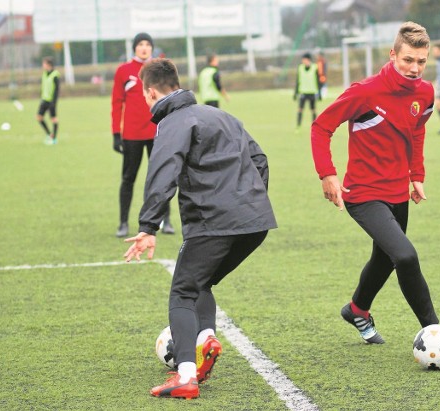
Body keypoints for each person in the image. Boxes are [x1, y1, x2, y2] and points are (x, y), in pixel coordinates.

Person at [123, 58, 277, 399]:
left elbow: (162, 172)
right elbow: (260, 160)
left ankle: (185, 376)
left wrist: (148, 226)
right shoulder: (221, 116)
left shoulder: (172, 122)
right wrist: (249, 205)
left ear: (150, 91)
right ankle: (205, 339)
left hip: (214, 222)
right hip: (254, 223)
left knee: (182, 291)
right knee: (200, 281)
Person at [311, 22, 439, 345]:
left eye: (421, 62)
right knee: (406, 257)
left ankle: (357, 309)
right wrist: (327, 173)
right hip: (364, 195)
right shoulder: (366, 92)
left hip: (398, 193)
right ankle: (435, 332)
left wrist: (417, 176)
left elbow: (417, 132)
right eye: (408, 60)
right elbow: (321, 127)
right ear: (392, 54)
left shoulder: (425, 94)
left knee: (384, 260)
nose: (414, 68)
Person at [111, 32, 174, 238]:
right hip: (131, 135)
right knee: (128, 178)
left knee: (161, 178)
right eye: (140, 44)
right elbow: (116, 103)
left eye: (147, 44)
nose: (144, 47)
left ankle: (166, 220)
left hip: (157, 132)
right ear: (135, 48)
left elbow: (170, 98)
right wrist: (116, 133)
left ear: (152, 48)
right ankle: (122, 223)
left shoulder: (159, 70)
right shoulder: (124, 71)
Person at [293, 52, 320, 131]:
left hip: (312, 92)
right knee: (300, 109)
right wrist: (295, 92)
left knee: (313, 110)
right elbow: (298, 80)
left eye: (304, 59)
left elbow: (318, 81)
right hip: (303, 92)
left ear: (308, 60)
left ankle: (314, 126)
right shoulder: (300, 68)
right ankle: (298, 126)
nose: (303, 61)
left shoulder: (315, 67)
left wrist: (319, 92)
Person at [37, 56, 60, 145]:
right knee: (39, 117)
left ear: (48, 64)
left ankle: (54, 138)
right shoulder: (44, 74)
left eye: (44, 64)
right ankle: (48, 134)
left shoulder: (55, 75)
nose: (43, 65)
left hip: (51, 101)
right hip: (44, 99)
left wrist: (54, 102)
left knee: (53, 119)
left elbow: (57, 90)